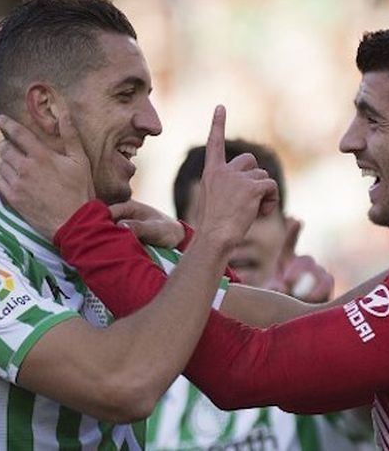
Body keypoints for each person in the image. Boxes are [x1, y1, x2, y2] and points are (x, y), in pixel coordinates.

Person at [0, 8, 389, 449]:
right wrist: (185, 251)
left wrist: (82, 228)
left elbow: (242, 371)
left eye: (373, 119)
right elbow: (299, 322)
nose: (348, 141)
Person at [0, 0, 279, 449]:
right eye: (126, 94)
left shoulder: (123, 240)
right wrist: (214, 236)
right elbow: (123, 383)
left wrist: (190, 242)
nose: (153, 123)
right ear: (48, 108)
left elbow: (294, 333)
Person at [147, 139, 373, 451]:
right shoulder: (143, 363)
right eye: (217, 215)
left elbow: (372, 406)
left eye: (259, 214)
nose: (240, 234)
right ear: (178, 236)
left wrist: (320, 325)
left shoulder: (325, 337)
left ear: (287, 228)